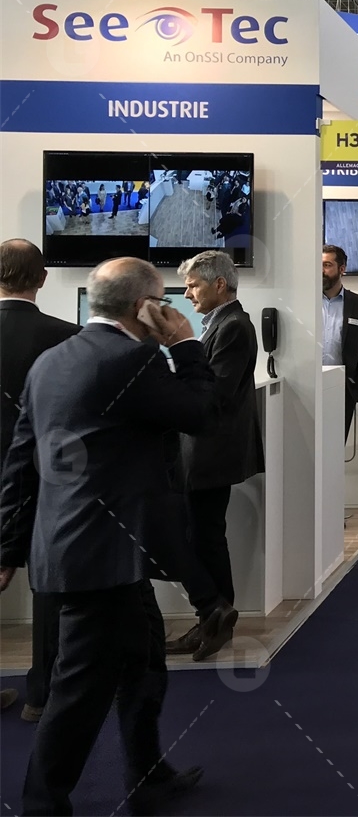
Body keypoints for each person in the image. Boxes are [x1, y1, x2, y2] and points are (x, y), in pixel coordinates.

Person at [0, 257, 215, 815]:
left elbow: (20, 461)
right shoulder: (133, 360)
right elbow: (201, 413)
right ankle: (42, 804)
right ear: (145, 307)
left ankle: (147, 773)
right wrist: (186, 344)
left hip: (89, 551)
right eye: (162, 302)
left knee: (145, 661)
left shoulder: (51, 360)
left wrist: (8, 547)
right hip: (100, 557)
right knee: (78, 690)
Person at [164, 250, 263, 661]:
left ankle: (216, 619)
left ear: (219, 284)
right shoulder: (221, 324)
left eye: (193, 285)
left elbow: (214, 393)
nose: (187, 294)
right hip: (203, 451)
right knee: (201, 537)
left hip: (210, 453)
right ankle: (213, 618)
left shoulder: (234, 326)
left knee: (203, 538)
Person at [0, 239, 81, 721]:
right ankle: (41, 693)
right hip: (47, 474)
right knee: (47, 583)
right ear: (44, 278)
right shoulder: (68, 337)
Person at [321, 244, 358, 437]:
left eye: (327, 265)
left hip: (343, 389)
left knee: (335, 445)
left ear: (342, 269)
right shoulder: (306, 301)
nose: (321, 270)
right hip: (308, 387)